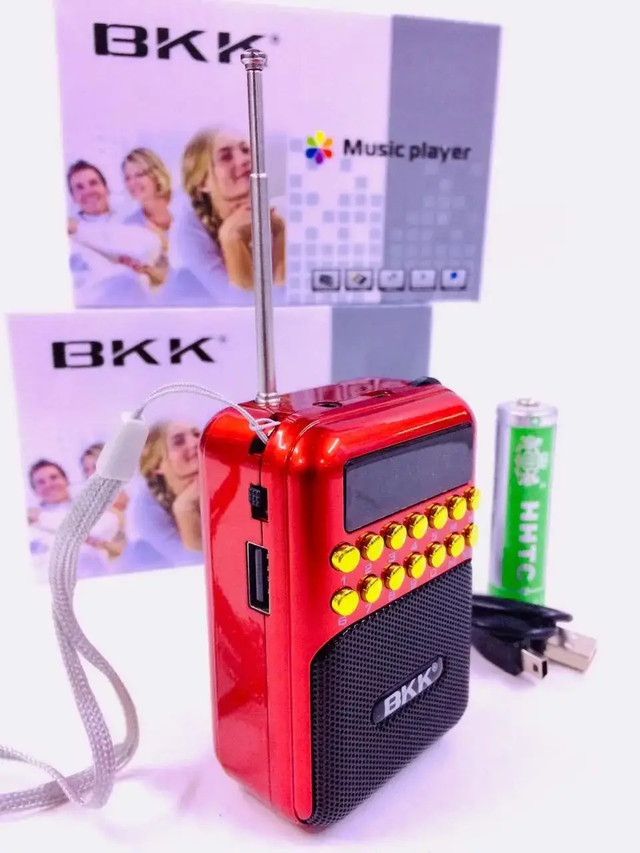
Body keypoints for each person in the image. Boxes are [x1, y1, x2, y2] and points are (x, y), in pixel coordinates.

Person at [175, 129, 286, 305]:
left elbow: (287, 304)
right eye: (226, 157)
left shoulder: (284, 211)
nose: (244, 160)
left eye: (246, 150)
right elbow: (242, 311)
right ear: (202, 182)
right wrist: (231, 240)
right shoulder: (189, 231)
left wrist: (280, 235)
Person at [66, 160, 163, 306]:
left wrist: (80, 230)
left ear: (106, 188)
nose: (88, 191)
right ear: (73, 197)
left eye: (93, 183)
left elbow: (148, 248)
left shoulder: (129, 218)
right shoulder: (67, 234)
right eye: (79, 187)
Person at [26, 459, 120, 579]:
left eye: (54, 477)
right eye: (41, 482)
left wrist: (42, 518)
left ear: (65, 480)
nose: (49, 485)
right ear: (34, 490)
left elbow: (99, 530)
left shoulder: (90, 506)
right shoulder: (29, 524)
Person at [130, 421, 203, 567]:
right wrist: (185, 509)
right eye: (179, 442)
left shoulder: (226, 475)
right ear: (157, 465)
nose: (196, 442)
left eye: (197, 434)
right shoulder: (146, 510)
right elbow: (194, 566)